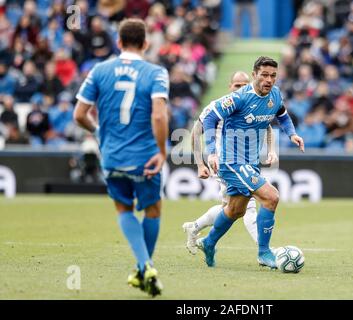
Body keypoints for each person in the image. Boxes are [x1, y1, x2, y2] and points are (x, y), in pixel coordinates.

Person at [73, 18, 169, 297]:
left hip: (112, 156)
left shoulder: (99, 70)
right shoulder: (156, 73)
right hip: (144, 157)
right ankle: (145, 265)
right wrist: (162, 152)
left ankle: (144, 270)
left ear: (118, 43)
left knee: (124, 210)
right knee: (153, 210)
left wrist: (99, 132)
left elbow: (79, 114)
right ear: (146, 43)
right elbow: (159, 114)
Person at [198, 56, 304, 268]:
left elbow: (282, 115)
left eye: (273, 75)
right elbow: (209, 118)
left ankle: (208, 242)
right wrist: (210, 153)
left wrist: (292, 134)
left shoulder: (274, 94)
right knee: (271, 197)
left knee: (235, 210)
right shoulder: (239, 98)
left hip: (250, 162)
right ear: (254, 74)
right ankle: (264, 253)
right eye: (264, 75)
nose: (269, 80)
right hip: (231, 162)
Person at [183, 71, 278, 254]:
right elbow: (195, 133)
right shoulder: (218, 107)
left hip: (246, 162)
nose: (240, 88)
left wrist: (271, 150)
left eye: (244, 85)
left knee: (232, 208)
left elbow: (267, 127)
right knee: (248, 206)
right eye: (237, 85)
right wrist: (201, 164)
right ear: (230, 87)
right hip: (225, 162)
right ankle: (265, 250)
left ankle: (195, 227)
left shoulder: (252, 104)